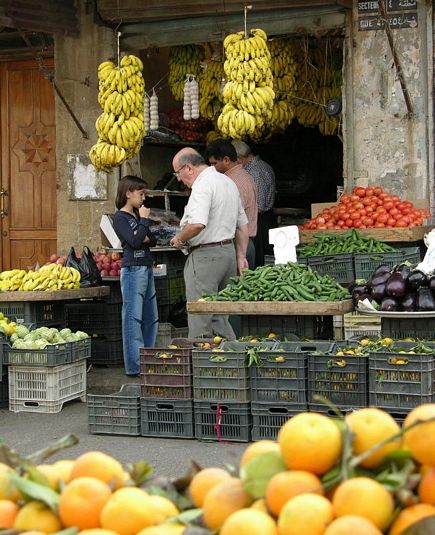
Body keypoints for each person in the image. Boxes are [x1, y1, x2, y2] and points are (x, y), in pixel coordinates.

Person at [169, 148, 249, 339]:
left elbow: (197, 224)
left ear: (188, 168)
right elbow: (242, 226)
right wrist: (240, 257)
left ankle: (201, 361)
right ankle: (231, 358)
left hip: (206, 257)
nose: (178, 179)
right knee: (220, 315)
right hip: (227, 254)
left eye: (177, 173)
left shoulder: (203, 185)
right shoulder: (227, 182)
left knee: (200, 315)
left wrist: (179, 238)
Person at [113, 175, 158, 377]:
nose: (143, 199)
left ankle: (147, 359)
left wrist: (143, 228)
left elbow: (153, 240)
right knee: (133, 317)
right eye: (141, 194)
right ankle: (135, 365)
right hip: (132, 270)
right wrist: (145, 224)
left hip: (146, 266)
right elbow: (134, 242)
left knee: (150, 316)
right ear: (128, 193)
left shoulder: (137, 218)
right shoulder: (120, 218)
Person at [204, 139, 258, 269]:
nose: (212, 168)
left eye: (214, 163)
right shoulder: (246, 176)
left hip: (238, 244)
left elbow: (231, 218)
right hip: (246, 243)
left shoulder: (231, 182)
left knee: (236, 287)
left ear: (226, 160)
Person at [232, 140, 277, 267]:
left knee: (259, 264)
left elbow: (259, 207)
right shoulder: (259, 167)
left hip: (259, 223)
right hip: (260, 221)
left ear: (239, 158)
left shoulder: (256, 172)